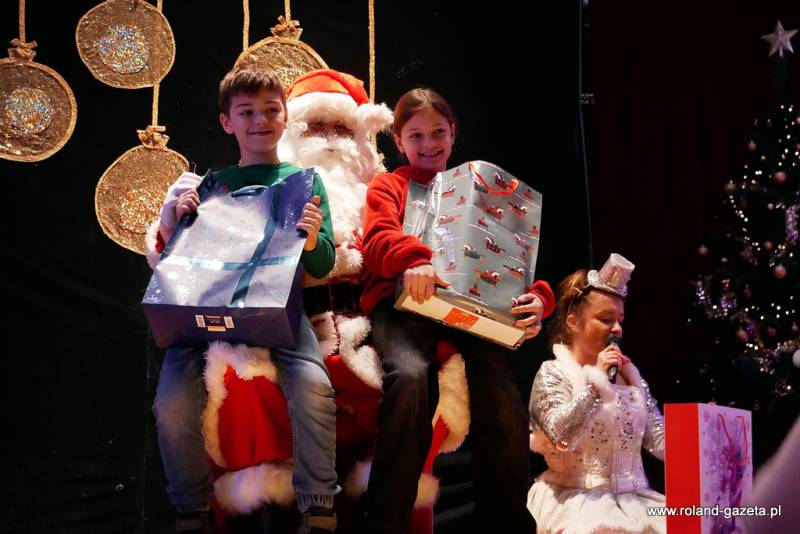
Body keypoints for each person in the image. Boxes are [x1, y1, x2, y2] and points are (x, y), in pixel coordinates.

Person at [148, 67, 339, 534]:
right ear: (226, 122)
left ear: (285, 116)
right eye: (247, 112)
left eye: (271, 110)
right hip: (205, 309)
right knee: (170, 402)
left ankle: (318, 508)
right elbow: (177, 263)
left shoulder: (305, 182)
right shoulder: (210, 185)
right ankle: (191, 511)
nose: (260, 121)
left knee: (314, 388)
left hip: (280, 310)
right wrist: (177, 221)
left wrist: (312, 237)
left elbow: (322, 265)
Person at [359, 87, 555, 534]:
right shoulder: (390, 185)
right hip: (406, 305)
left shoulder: (479, 189)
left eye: (438, 133)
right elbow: (377, 241)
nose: (429, 144)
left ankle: (505, 526)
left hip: (469, 307)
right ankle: (385, 523)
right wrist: (413, 259)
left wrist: (537, 298)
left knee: (501, 395)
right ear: (397, 140)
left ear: (453, 132)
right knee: (409, 378)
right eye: (416, 135)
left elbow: (511, 256)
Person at [527, 253, 666, 534]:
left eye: (620, 320)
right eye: (605, 319)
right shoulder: (554, 373)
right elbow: (561, 436)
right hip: (576, 499)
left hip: (636, 499)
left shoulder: (631, 377)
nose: (617, 329)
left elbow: (660, 441)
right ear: (573, 322)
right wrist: (597, 383)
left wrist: (704, 434)